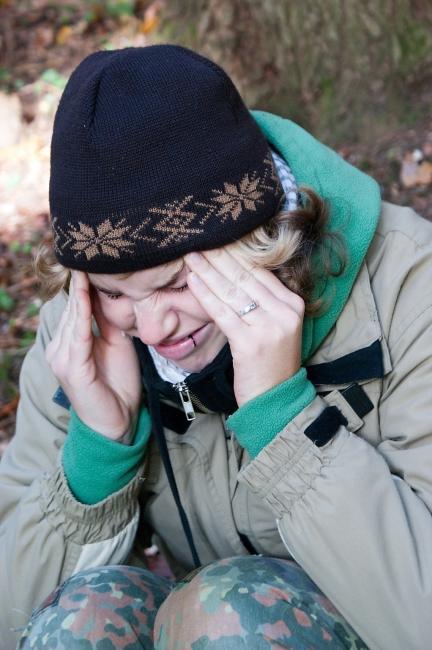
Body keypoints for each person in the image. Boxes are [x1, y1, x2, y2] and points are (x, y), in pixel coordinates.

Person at [0, 44, 431, 650]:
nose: (152, 329)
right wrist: (98, 453)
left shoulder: (411, 290)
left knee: (230, 616)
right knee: (82, 625)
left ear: (261, 238)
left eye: (176, 283)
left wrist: (286, 422)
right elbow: (9, 621)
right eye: (114, 292)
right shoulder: (85, 334)